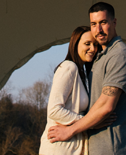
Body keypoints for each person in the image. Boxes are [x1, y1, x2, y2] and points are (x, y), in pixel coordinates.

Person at [48, 2, 126, 155]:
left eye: (103, 22)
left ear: (114, 22)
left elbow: (106, 105)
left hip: (112, 149)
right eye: (94, 24)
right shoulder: (99, 56)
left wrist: (70, 131)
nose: (99, 30)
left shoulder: (120, 56)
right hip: (93, 146)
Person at [39, 26, 100, 155]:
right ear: (75, 44)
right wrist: (88, 122)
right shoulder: (69, 67)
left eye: (95, 44)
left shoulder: (80, 73)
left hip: (70, 146)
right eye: (87, 44)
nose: (93, 49)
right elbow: (54, 110)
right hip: (58, 147)